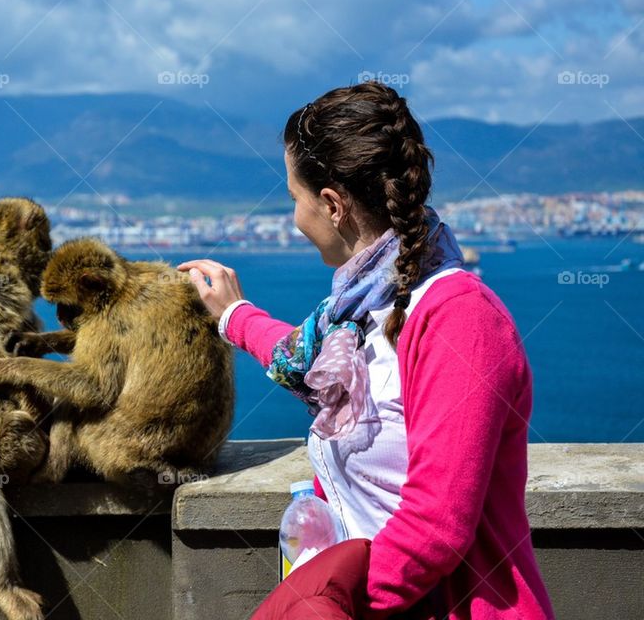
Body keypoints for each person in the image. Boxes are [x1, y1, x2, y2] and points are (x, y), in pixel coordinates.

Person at [177, 82, 555, 619]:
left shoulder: (460, 318)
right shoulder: (356, 314)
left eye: (293, 200)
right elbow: (302, 360)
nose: (294, 219)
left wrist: (331, 599)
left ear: (331, 204)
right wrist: (235, 316)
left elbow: (436, 526)